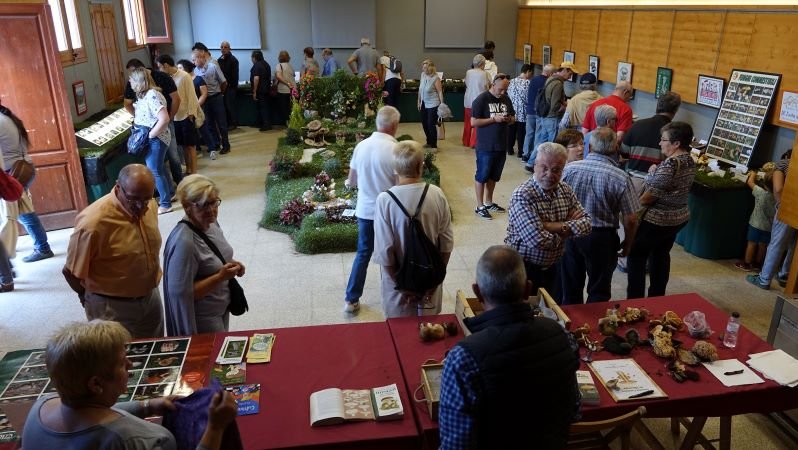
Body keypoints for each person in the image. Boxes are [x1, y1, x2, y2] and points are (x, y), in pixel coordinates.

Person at [438, 245, 580, 449]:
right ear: (527, 289)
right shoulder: (563, 337)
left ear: (477, 293)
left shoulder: (464, 358)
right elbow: (573, 411)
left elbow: (456, 446)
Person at [22, 320, 238, 449]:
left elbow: (89, 411)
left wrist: (148, 405)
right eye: (121, 363)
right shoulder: (144, 440)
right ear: (96, 384)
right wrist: (216, 427)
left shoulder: (39, 408)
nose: (130, 364)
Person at [62, 164, 165, 338]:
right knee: (115, 360)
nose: (141, 206)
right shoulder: (92, 223)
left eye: (147, 198)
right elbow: (71, 272)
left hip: (150, 296)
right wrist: (86, 298)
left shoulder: (150, 205)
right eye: (134, 199)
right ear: (118, 187)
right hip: (111, 307)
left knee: (156, 354)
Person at [373, 141, 453, 318]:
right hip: (429, 283)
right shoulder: (436, 194)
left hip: (398, 291)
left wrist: (402, 289)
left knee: (400, 337)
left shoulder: (385, 200)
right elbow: (446, 244)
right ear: (421, 166)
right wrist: (435, 282)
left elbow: (384, 252)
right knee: (429, 335)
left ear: (394, 169)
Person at [561, 128, 639, 304]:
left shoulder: (569, 169)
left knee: (570, 287)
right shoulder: (621, 177)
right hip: (602, 238)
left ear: (590, 146)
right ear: (615, 147)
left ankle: (570, 328)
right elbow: (631, 218)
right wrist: (628, 243)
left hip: (571, 232)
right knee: (599, 289)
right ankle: (595, 328)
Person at [506, 142, 591, 298]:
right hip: (523, 269)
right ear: (535, 165)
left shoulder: (565, 190)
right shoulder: (523, 195)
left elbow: (586, 224)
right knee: (525, 314)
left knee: (551, 310)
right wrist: (567, 229)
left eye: (556, 170)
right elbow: (537, 240)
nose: (550, 174)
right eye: (544, 168)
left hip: (555, 267)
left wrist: (550, 226)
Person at [164, 174, 245, 335]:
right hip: (203, 317)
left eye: (214, 202)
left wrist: (233, 263)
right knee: (213, 357)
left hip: (221, 306)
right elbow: (181, 293)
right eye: (203, 205)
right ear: (187, 206)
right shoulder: (184, 243)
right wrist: (220, 277)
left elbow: (214, 256)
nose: (211, 210)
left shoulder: (211, 222)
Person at [627, 122, 697, 299]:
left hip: (658, 220)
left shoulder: (670, 165)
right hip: (678, 218)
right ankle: (657, 297)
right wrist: (655, 171)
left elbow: (651, 195)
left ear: (676, 144)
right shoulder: (689, 160)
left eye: (663, 140)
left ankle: (634, 300)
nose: (660, 143)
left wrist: (632, 208)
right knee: (661, 255)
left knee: (636, 256)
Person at [343, 106, 401, 314]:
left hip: (365, 211)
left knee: (363, 253)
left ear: (377, 123)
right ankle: (397, 294)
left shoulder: (362, 146)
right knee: (394, 253)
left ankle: (351, 299)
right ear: (394, 126)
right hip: (389, 213)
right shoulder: (396, 149)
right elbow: (400, 185)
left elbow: (351, 181)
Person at [0, 100, 53, 264]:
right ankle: (38, 246)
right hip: (23, 169)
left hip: (12, 173)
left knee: (21, 214)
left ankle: (42, 247)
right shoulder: (6, 116)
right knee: (23, 210)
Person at [124, 58, 182, 189]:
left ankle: (176, 186)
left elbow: (176, 99)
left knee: (170, 158)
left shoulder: (156, 88)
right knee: (158, 165)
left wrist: (168, 118)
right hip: (154, 128)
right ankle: (168, 190)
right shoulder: (141, 92)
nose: (130, 81)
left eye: (132, 76)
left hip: (158, 130)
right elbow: (127, 103)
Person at [128, 67, 174, 215]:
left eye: (132, 79)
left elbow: (164, 118)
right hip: (154, 137)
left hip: (156, 139)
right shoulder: (143, 95)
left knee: (155, 171)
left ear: (139, 81)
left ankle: (165, 203)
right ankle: (169, 194)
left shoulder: (153, 95)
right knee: (160, 169)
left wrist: (151, 135)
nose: (129, 81)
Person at [747, 152, 795, 290]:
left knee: (776, 243)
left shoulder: (783, 164)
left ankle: (764, 279)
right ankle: (784, 275)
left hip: (787, 208)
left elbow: (778, 189)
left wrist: (781, 206)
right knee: (793, 245)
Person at [471, 73, 515, 220]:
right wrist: (493, 119)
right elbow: (474, 122)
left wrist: (509, 119)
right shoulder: (481, 99)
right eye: (501, 89)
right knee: (482, 175)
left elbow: (513, 118)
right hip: (485, 145)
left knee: (494, 176)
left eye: (505, 90)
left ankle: (489, 202)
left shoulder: (506, 99)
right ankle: (480, 205)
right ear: (493, 85)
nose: (503, 92)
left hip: (501, 144)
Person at [621, 92, 682, 189]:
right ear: (675, 110)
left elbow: (624, 152)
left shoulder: (637, 125)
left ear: (657, 106)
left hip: (631, 182)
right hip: (656, 185)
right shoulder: (675, 133)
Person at [156, 55, 200, 176]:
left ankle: (194, 171)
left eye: (160, 67)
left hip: (186, 115)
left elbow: (192, 96)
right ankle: (189, 169)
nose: (159, 70)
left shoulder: (184, 76)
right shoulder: (166, 78)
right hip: (174, 116)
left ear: (166, 65)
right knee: (183, 146)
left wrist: (191, 113)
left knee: (190, 145)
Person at [529, 62, 576, 170]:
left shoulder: (550, 78)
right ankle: (547, 166)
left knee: (541, 142)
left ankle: (531, 163)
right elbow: (555, 105)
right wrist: (567, 107)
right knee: (552, 145)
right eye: (570, 73)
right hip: (552, 118)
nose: (570, 76)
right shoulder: (558, 84)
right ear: (565, 70)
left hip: (544, 116)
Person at [193, 46, 230, 154]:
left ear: (201, 57)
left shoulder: (213, 67)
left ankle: (226, 145)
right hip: (205, 100)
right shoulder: (195, 70)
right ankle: (216, 143)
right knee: (209, 122)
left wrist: (220, 93)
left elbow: (224, 82)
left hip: (216, 97)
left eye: (195, 59)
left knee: (221, 122)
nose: (193, 61)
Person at [736, 169, 775, 272]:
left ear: (765, 184)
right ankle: (757, 264)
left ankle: (747, 263)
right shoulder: (778, 198)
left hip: (756, 224)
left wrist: (753, 174)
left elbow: (750, 182)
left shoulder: (761, 193)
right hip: (769, 227)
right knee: (763, 245)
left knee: (752, 243)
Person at [177, 59, 215, 161]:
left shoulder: (198, 79)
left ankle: (212, 148)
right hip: (186, 111)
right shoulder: (182, 80)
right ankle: (196, 149)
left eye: (180, 68)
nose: (178, 70)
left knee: (203, 128)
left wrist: (196, 105)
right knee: (192, 131)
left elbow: (204, 94)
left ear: (186, 68)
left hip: (199, 108)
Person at [522, 64, 555, 164]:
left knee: (529, 133)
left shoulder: (534, 79)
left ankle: (525, 154)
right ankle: (534, 155)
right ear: (550, 73)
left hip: (530, 110)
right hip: (540, 111)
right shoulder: (547, 82)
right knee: (538, 134)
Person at [462, 54, 491, 148]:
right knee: (477, 123)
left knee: (467, 122)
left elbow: (466, 83)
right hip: (479, 101)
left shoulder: (468, 72)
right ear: (482, 63)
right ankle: (473, 143)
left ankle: (465, 141)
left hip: (468, 100)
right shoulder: (485, 74)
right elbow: (488, 86)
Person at [506, 64, 533, 157]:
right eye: (531, 73)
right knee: (521, 133)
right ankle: (521, 151)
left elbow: (508, 95)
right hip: (523, 112)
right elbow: (528, 98)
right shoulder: (528, 83)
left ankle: (509, 149)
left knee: (511, 131)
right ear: (528, 71)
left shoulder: (511, 81)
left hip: (512, 111)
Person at [417, 59, 443, 150]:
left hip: (433, 104)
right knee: (424, 124)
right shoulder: (423, 75)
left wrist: (442, 105)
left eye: (425, 67)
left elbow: (440, 92)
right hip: (424, 103)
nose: (423, 69)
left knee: (430, 124)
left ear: (430, 68)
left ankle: (434, 145)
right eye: (423, 67)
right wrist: (419, 101)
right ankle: (428, 142)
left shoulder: (436, 78)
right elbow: (420, 89)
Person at [218, 41, 239, 130]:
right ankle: (227, 123)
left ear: (229, 49)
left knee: (230, 106)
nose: (223, 49)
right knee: (224, 107)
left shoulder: (233, 60)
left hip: (230, 87)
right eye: (222, 47)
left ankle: (233, 124)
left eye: (225, 47)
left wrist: (230, 87)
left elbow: (234, 76)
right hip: (222, 87)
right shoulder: (219, 60)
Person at [250, 50, 272, 132]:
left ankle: (266, 125)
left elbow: (256, 78)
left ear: (254, 58)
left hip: (260, 90)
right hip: (267, 89)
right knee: (265, 107)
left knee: (262, 108)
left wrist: (254, 91)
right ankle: (261, 122)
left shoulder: (256, 65)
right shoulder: (266, 64)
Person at [274, 50, 296, 126]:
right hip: (293, 90)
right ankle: (292, 123)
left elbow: (279, 76)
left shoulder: (279, 65)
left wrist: (287, 84)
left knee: (284, 108)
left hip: (283, 90)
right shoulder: (290, 66)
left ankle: (288, 124)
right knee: (291, 108)